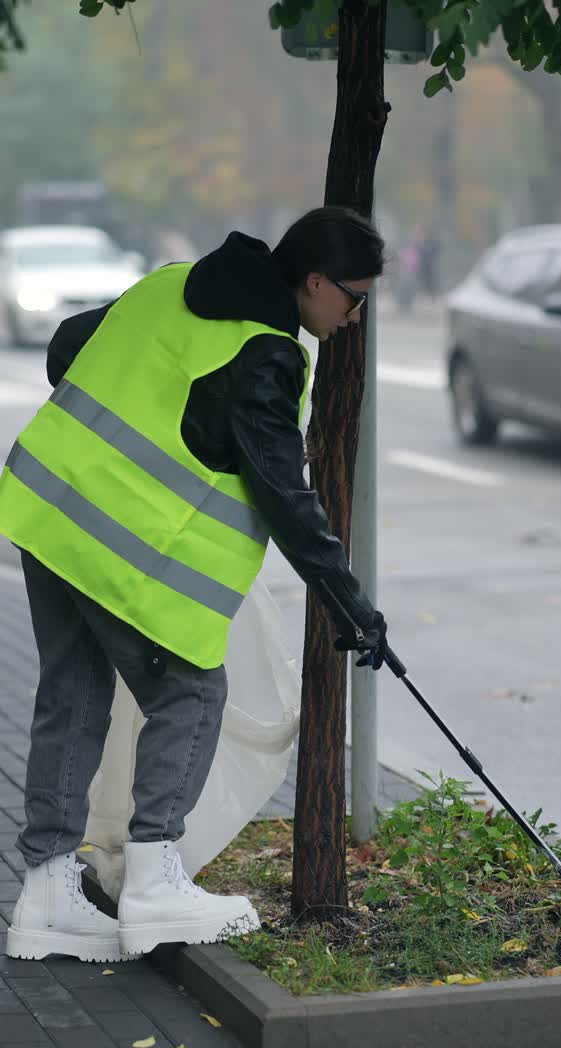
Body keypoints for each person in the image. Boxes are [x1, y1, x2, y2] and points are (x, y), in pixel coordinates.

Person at [0, 205, 388, 964]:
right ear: (313, 282)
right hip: (120, 546)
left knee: (72, 693)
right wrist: (350, 602)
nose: (357, 314)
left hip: (49, 509)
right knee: (194, 693)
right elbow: (283, 490)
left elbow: (65, 349)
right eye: (354, 296)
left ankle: (47, 892)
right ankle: (153, 880)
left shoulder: (171, 283)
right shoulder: (267, 354)